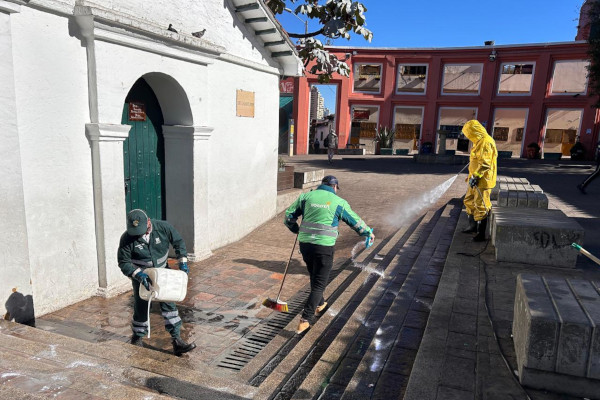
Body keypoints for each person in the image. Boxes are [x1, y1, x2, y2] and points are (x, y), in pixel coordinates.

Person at [284, 175, 375, 334]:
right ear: (335, 187)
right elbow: (355, 222)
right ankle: (305, 320)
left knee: (314, 275)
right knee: (319, 283)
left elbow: (288, 217)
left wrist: (295, 229)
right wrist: (368, 233)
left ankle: (321, 304)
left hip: (305, 245)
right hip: (323, 248)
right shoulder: (338, 202)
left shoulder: (306, 197)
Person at [117, 209, 196, 356]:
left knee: (169, 304)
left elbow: (178, 242)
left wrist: (183, 262)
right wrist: (138, 274)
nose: (139, 235)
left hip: (163, 273)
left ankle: (177, 340)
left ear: (148, 222)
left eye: (142, 231)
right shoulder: (127, 238)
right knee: (141, 306)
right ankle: (138, 337)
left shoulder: (163, 227)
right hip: (142, 275)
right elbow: (123, 261)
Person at [460, 120, 498, 242]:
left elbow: (485, 164)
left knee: (481, 205)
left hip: (483, 181)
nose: (468, 137)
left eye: (469, 134)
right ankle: (472, 226)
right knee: (469, 200)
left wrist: (475, 176)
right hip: (474, 180)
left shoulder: (486, 142)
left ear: (474, 131)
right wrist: (471, 176)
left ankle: (481, 234)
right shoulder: (479, 142)